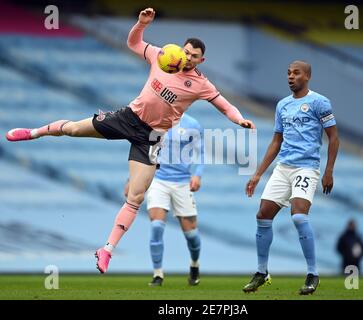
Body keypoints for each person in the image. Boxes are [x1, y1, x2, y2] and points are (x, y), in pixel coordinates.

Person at [5, 7, 255, 274]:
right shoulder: (162, 56)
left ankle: (106, 250)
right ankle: (32, 133)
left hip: (151, 137)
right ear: (180, 50)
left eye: (194, 56)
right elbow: (134, 43)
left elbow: (225, 106)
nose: (188, 58)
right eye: (186, 52)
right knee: (75, 129)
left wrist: (238, 120)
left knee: (136, 197)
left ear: (201, 60)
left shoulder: (202, 84)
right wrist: (141, 23)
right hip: (128, 117)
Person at [242, 60, 339, 295]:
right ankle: (262, 272)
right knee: (262, 215)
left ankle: (312, 274)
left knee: (298, 217)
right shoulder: (283, 105)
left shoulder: (319, 102)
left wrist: (328, 171)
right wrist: (257, 174)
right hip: (284, 168)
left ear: (307, 76)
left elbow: (333, 138)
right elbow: (276, 141)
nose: (290, 76)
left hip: (306, 168)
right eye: (288, 73)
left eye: (296, 73)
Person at [124, 113, 204, 286]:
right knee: (157, 226)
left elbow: (201, 153)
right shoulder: (155, 120)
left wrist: (197, 175)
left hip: (182, 183)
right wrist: (131, 179)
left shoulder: (192, 124)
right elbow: (142, 151)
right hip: (157, 180)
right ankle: (158, 274)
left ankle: (194, 264)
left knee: (191, 235)